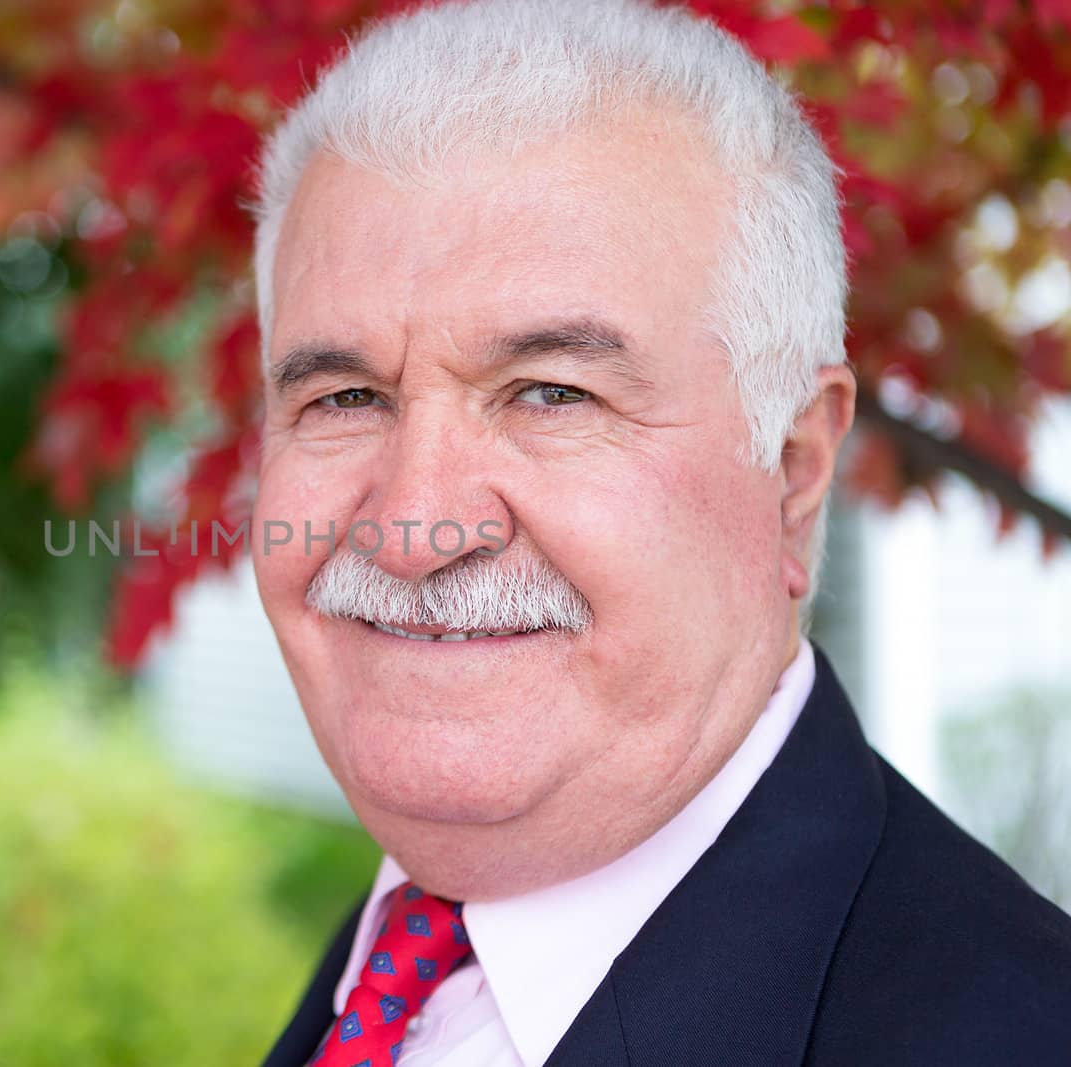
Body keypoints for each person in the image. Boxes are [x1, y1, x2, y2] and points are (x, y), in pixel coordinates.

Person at [244, 1, 1071, 1064]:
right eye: (345, 397)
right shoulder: (403, 965)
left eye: (550, 393)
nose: (412, 526)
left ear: (792, 469)